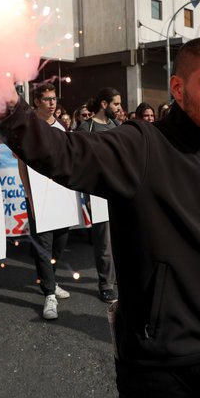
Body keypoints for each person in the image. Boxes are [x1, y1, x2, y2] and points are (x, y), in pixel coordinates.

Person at [0, 37, 200, 398]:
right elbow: (62, 153)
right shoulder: (140, 145)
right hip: (160, 369)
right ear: (178, 88)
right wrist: (2, 98)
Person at [17, 83, 71, 319]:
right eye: (47, 99)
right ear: (37, 101)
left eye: (54, 99)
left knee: (60, 243)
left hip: (61, 196)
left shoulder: (61, 127)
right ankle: (49, 294)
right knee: (43, 246)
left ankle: (51, 279)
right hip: (39, 198)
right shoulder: (29, 128)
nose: (52, 103)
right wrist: (30, 196)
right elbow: (22, 164)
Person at [76, 87, 121, 303]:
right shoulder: (86, 127)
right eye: (116, 104)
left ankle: (119, 276)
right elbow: (79, 161)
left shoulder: (117, 126)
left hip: (119, 190)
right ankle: (106, 284)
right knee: (104, 241)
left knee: (121, 238)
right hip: (98, 192)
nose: (120, 108)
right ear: (104, 104)